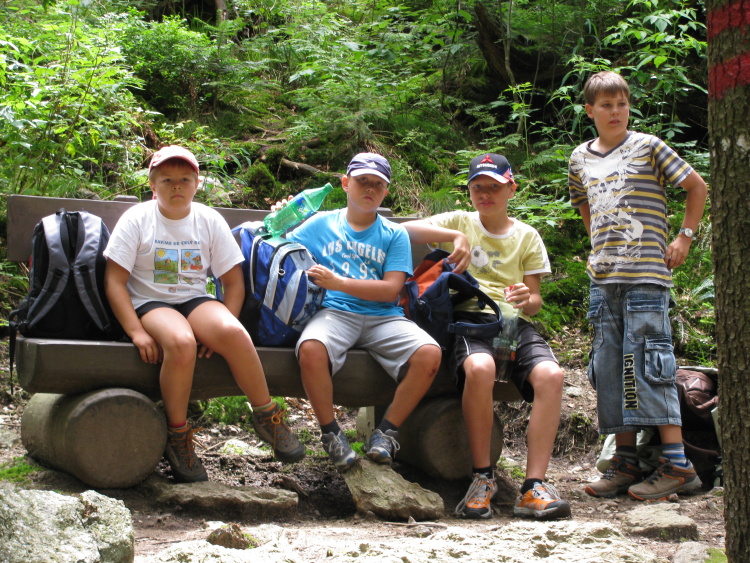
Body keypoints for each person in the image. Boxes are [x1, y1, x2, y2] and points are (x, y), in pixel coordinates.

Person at [104, 145, 304, 483]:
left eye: (185, 179)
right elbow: (114, 281)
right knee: (181, 342)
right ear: (152, 185)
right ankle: (178, 436)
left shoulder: (208, 220)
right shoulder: (137, 219)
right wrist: (136, 331)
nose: (176, 186)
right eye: (167, 180)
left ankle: (267, 416)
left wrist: (222, 329)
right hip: (150, 302)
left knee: (234, 333)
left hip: (194, 299)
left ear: (197, 184)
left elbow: (233, 282)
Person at [402, 153, 571, 520]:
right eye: (477, 187)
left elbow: (535, 302)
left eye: (494, 187)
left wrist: (527, 297)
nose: (485, 194)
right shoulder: (461, 221)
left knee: (552, 376)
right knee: (480, 368)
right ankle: (482, 478)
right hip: (470, 322)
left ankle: (534, 486)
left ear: (511, 189)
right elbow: (405, 230)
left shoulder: (527, 236)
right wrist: (453, 237)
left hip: (513, 324)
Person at [568, 71, 708, 500]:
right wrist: (596, 246)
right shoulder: (579, 157)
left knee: (648, 364)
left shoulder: (648, 146)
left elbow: (696, 186)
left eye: (622, 104)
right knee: (611, 368)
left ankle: (678, 465)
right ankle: (625, 463)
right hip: (603, 281)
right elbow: (584, 204)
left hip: (646, 274)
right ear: (590, 110)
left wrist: (684, 237)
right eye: (606, 105)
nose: (615, 112)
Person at [276, 152, 442, 472]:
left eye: (377, 184)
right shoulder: (321, 224)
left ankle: (385, 434)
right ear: (345, 183)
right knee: (311, 349)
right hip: (334, 313)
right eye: (362, 181)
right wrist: (281, 218)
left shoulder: (394, 234)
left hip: (384, 317)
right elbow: (277, 243)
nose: (369, 188)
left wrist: (339, 282)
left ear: (386, 192)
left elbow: (391, 289)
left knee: (429, 354)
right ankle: (332, 435)